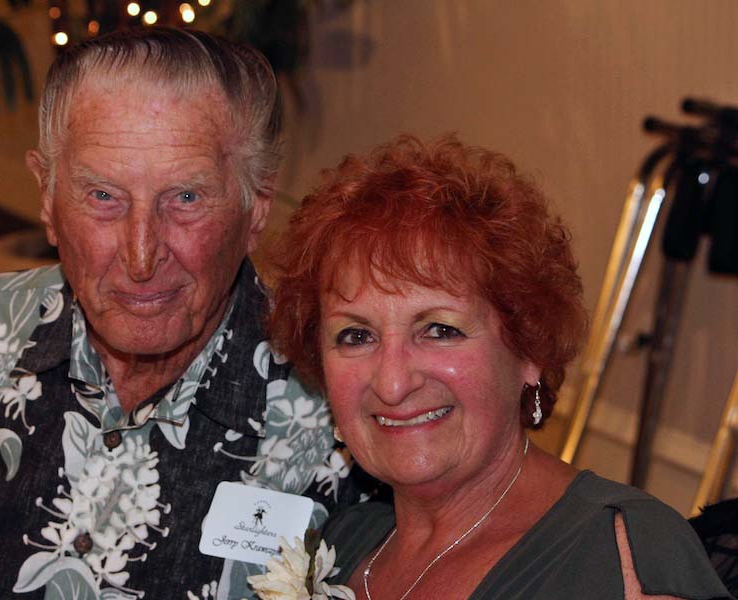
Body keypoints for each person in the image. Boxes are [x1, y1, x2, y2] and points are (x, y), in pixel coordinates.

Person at [0, 29, 360, 599]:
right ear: (47, 195)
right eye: (103, 197)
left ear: (256, 206)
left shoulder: (336, 408)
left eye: (186, 198)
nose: (141, 256)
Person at [267, 135, 732, 599]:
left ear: (529, 349)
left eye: (439, 330)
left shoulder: (622, 558)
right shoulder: (338, 547)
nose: (392, 382)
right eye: (356, 336)